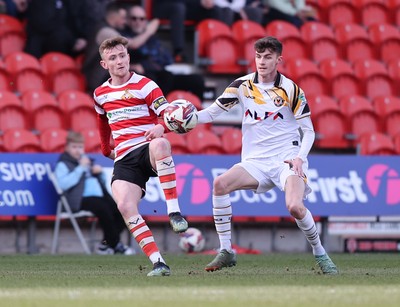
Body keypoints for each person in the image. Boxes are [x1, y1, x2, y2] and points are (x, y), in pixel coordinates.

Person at [195, 36, 339, 275]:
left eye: (268, 57)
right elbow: (210, 114)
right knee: (219, 184)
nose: (262, 61)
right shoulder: (241, 86)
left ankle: (320, 253)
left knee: (294, 206)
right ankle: (227, 251)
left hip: (287, 159)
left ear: (278, 60)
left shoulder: (291, 89)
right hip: (255, 162)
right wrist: (183, 120)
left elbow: (309, 131)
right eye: (258, 56)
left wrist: (300, 157)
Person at [93, 36, 189, 277]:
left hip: (146, 149)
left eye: (122, 55)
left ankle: (174, 213)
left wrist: (161, 127)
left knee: (161, 144)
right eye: (112, 58)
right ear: (105, 65)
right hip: (124, 157)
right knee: (124, 205)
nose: (119, 61)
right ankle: (159, 262)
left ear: (129, 57)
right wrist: (105, 148)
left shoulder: (146, 85)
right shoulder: (100, 94)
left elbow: (167, 114)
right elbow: (102, 121)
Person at [54, 131, 133, 255]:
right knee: (104, 210)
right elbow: (63, 184)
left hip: (99, 195)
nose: (77, 150)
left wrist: (99, 173)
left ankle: (106, 245)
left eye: (80, 147)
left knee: (121, 210)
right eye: (74, 147)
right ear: (67, 147)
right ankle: (115, 244)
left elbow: (98, 182)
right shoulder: (63, 164)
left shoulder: (86, 161)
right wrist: (80, 168)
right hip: (80, 199)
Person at [121, 4, 205, 99]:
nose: (138, 22)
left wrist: (145, 65)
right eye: (134, 18)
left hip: (161, 76)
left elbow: (167, 59)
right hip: (143, 79)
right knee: (154, 80)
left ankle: (198, 112)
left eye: (142, 19)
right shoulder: (123, 36)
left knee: (196, 80)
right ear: (127, 20)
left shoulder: (152, 38)